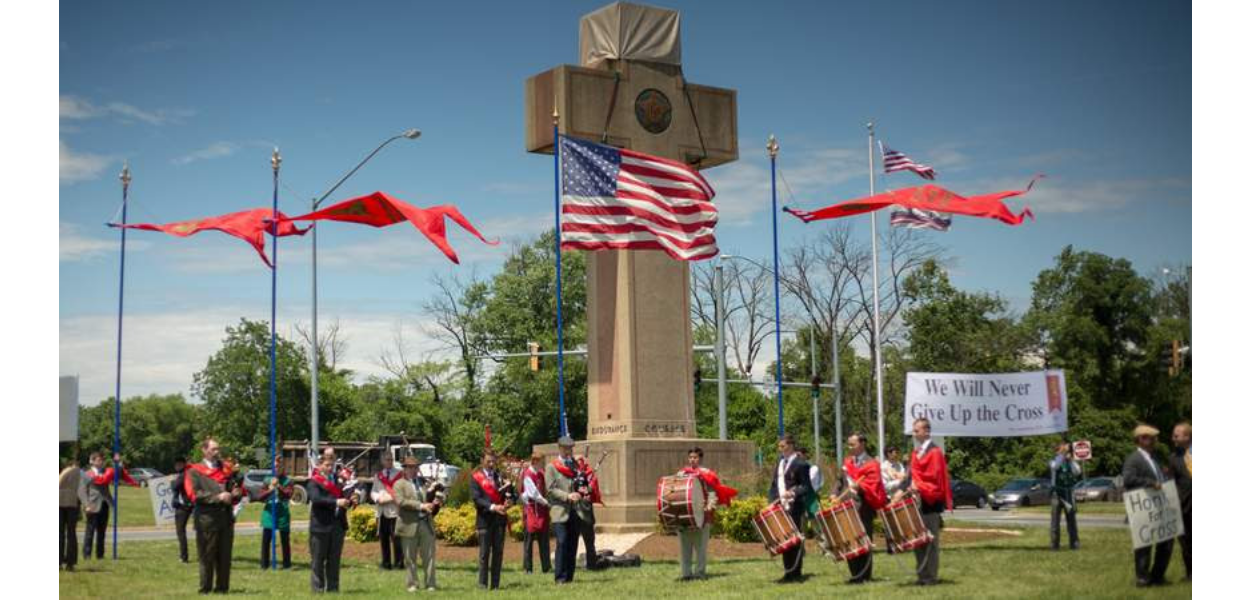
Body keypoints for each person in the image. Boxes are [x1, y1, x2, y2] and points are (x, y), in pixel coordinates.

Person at [893, 417, 952, 586]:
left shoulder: (935, 452)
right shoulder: (916, 452)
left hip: (930, 502)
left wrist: (918, 486)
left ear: (926, 431)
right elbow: (910, 476)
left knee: (930, 541)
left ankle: (930, 577)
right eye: (913, 430)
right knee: (918, 540)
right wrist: (900, 492)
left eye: (916, 430)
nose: (914, 433)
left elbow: (935, 477)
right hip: (916, 501)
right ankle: (921, 575)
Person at [185, 438, 243, 594]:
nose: (217, 452)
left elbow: (233, 492)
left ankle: (222, 588)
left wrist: (236, 493)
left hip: (226, 519)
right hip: (207, 520)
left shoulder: (226, 470)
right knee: (206, 556)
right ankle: (205, 588)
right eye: (213, 449)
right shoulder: (194, 471)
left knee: (225, 556)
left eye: (218, 449)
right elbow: (195, 494)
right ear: (204, 450)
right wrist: (217, 497)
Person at [831, 433, 887, 584]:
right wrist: (834, 493)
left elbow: (874, 484)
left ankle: (865, 575)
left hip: (863, 508)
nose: (850, 447)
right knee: (850, 541)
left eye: (853, 444)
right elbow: (840, 481)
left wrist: (861, 487)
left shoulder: (872, 463)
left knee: (863, 541)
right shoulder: (848, 461)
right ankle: (855, 575)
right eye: (849, 444)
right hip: (846, 507)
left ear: (862, 444)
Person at [676, 447, 737, 580]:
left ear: (700, 459)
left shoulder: (707, 474)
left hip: (702, 515)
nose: (692, 460)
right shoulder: (682, 474)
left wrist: (709, 508)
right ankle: (686, 574)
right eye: (690, 457)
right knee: (685, 547)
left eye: (695, 457)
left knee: (700, 548)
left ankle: (699, 573)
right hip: (685, 516)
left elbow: (712, 493)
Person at [1124, 424, 1174, 587]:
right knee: (1144, 545)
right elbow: (1128, 479)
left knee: (1166, 542)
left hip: (1159, 507)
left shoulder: (1154, 458)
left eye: (1155, 438)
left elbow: (1159, 478)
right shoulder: (1134, 459)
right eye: (1151, 438)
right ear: (1141, 439)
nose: (1155, 440)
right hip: (1144, 509)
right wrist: (1150, 482)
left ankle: (1158, 577)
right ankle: (1143, 578)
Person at [768, 434, 811, 583]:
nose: (780, 449)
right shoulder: (780, 462)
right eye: (779, 446)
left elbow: (806, 487)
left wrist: (792, 492)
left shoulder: (801, 464)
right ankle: (788, 572)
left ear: (791, 445)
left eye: (783, 446)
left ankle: (796, 572)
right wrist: (772, 501)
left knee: (794, 540)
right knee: (785, 540)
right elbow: (774, 484)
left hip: (795, 507)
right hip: (781, 506)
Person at [81, 451, 140, 560]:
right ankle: (87, 555)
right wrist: (86, 504)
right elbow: (82, 491)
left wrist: (118, 463)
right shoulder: (86, 474)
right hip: (92, 505)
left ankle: (100, 555)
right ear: (92, 461)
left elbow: (119, 473)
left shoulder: (107, 471)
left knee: (102, 532)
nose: (101, 462)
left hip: (105, 504)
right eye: (98, 460)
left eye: (102, 460)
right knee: (90, 532)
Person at [307, 447, 351, 593]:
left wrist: (352, 499)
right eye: (326, 465)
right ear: (319, 466)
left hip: (337, 525)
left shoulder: (339, 481)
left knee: (334, 560)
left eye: (331, 465)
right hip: (320, 526)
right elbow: (316, 499)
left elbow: (346, 497)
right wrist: (336, 502)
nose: (330, 467)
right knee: (318, 560)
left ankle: (333, 589)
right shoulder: (314, 482)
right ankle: (318, 589)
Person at [547, 436, 588, 584]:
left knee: (572, 543)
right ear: (560, 448)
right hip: (560, 511)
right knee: (562, 541)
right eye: (565, 448)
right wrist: (567, 496)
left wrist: (582, 492)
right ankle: (560, 577)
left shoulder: (575, 465)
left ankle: (569, 576)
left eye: (570, 448)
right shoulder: (552, 467)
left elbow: (581, 483)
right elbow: (550, 489)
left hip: (575, 510)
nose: (568, 451)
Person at [393, 455, 438, 592]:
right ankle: (412, 584)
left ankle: (430, 584)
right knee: (409, 557)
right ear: (404, 469)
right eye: (410, 467)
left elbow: (430, 499)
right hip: (408, 524)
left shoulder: (424, 483)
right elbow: (401, 502)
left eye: (415, 467)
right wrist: (420, 506)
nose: (413, 470)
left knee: (429, 556)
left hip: (425, 523)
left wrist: (435, 500)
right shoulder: (399, 484)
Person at [471, 448, 510, 590]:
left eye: (493, 461)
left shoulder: (500, 476)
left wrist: (509, 501)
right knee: (484, 554)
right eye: (488, 461)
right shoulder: (476, 478)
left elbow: (510, 494)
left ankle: (495, 585)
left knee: (498, 553)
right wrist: (493, 507)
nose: (491, 464)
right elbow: (477, 499)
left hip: (499, 520)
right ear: (482, 461)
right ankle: (482, 584)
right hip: (485, 520)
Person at [257, 459, 293, 570]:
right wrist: (270, 490)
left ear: (282, 467)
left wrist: (279, 486)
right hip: (269, 511)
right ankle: (264, 565)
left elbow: (288, 495)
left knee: (285, 540)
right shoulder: (267, 479)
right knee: (266, 539)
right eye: (274, 467)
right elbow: (260, 497)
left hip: (282, 511)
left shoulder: (287, 480)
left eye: (278, 466)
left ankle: (286, 564)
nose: (276, 469)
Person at [371, 453, 405, 570]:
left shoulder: (400, 475)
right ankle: (386, 563)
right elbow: (373, 491)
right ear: (382, 461)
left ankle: (399, 563)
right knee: (384, 538)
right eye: (387, 460)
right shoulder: (378, 476)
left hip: (395, 511)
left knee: (397, 539)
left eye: (391, 459)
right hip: (382, 511)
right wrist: (377, 498)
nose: (389, 461)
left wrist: (389, 498)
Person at [521, 452, 552, 575]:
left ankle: (546, 567)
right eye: (542, 461)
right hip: (531, 511)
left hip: (542, 511)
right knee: (528, 541)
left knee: (544, 540)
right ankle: (528, 568)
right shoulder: (528, 474)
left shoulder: (540, 473)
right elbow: (533, 493)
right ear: (535, 461)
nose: (543, 464)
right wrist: (546, 502)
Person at [1168, 422, 1191, 580]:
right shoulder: (1173, 458)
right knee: (1186, 541)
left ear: (1187, 437)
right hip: (1183, 507)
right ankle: (1191, 573)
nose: (1173, 439)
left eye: (1176, 436)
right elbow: (1170, 482)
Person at [1049, 441, 1081, 550]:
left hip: (1068, 494)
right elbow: (1055, 467)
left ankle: (1074, 544)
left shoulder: (1069, 461)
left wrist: (1071, 460)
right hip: (1056, 494)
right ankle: (1054, 545)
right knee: (1055, 521)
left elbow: (1077, 471)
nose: (1064, 452)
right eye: (1061, 450)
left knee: (1071, 520)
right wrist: (1063, 455)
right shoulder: (1053, 461)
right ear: (1057, 451)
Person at [59, 458, 87, 571]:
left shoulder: (64, 473)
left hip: (61, 504)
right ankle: (70, 563)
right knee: (71, 533)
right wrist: (86, 504)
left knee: (60, 533)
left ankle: (59, 562)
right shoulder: (78, 474)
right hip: (71, 505)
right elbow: (82, 489)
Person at [575, 453, 601, 570]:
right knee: (572, 541)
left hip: (585, 511)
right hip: (574, 511)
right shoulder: (571, 474)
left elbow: (591, 488)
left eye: (580, 461)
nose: (578, 464)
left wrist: (586, 488)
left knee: (589, 541)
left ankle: (592, 564)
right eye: (577, 462)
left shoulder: (590, 474)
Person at [171, 457, 194, 564]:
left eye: (178, 464)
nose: (176, 466)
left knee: (180, 531)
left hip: (183, 506)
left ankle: (184, 556)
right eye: (175, 464)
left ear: (183, 464)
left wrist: (172, 481)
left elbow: (175, 486)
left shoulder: (182, 475)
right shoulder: (190, 473)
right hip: (191, 504)